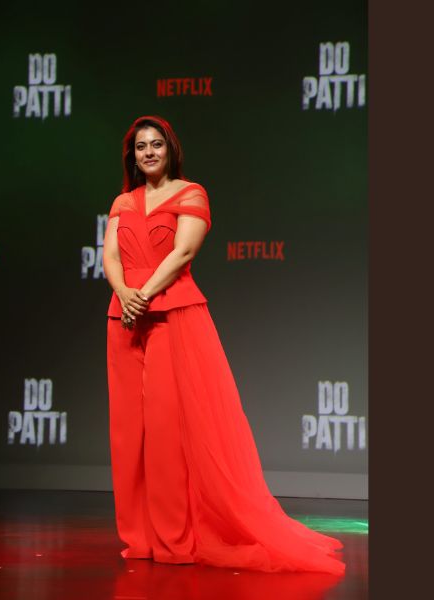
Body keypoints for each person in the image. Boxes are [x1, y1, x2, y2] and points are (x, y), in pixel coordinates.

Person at [102, 115, 345, 575]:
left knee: (166, 433)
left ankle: (173, 539)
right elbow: (110, 256)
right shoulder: (121, 202)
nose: (148, 152)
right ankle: (140, 538)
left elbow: (183, 253)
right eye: (140, 146)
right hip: (124, 319)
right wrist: (124, 295)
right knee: (129, 434)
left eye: (156, 144)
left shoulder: (190, 194)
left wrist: (142, 295)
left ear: (170, 150)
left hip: (169, 314)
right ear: (132, 156)